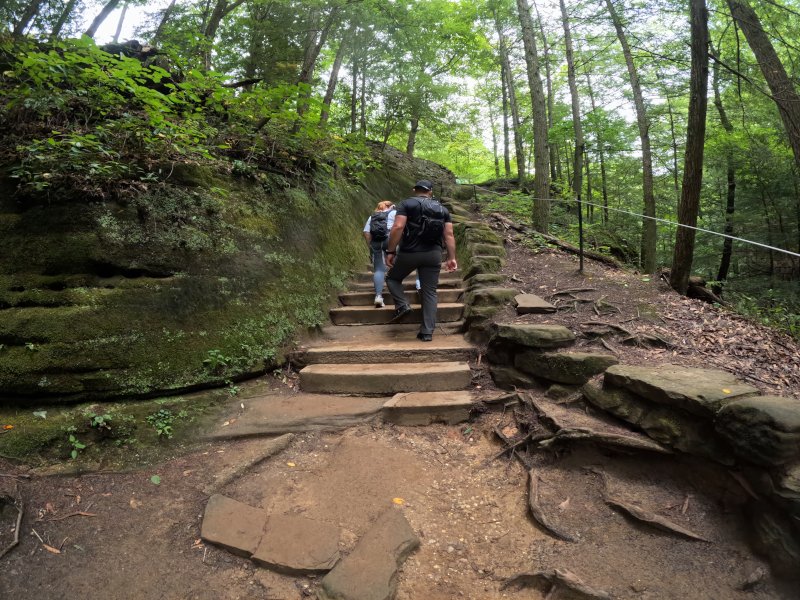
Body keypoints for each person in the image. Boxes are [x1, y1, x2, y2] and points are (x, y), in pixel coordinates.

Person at [385, 180, 457, 341]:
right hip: (433, 254)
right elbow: (449, 235)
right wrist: (451, 258)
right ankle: (426, 332)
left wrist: (390, 251)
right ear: (430, 191)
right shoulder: (442, 209)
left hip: (409, 253)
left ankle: (403, 305)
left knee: (392, 278)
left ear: (414, 190)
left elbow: (397, 227)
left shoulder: (406, 204)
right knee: (429, 292)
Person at [363, 200, 395, 307]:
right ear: (390, 206)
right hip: (391, 240)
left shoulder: (373, 216)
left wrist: (371, 246)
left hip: (376, 242)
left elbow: (366, 232)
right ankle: (396, 290)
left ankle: (378, 296)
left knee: (379, 269)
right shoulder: (394, 213)